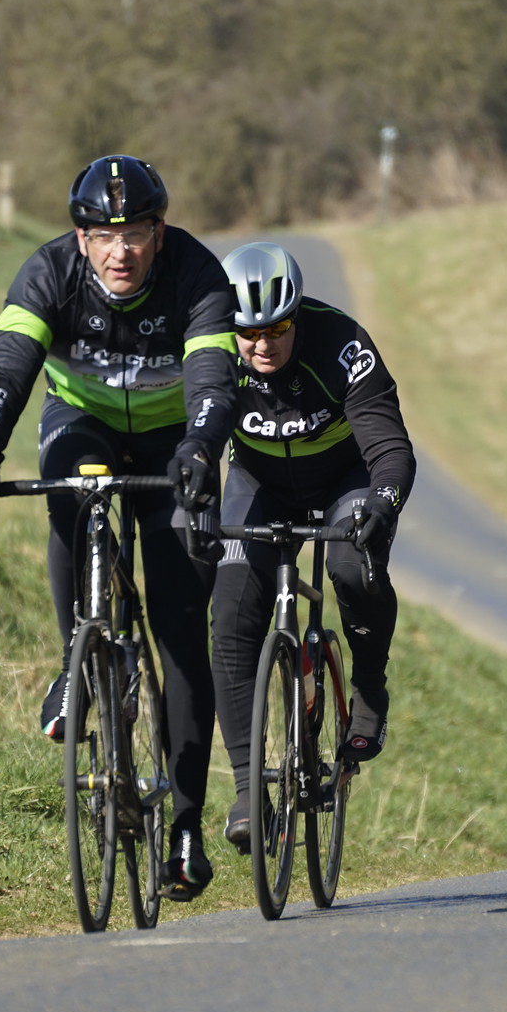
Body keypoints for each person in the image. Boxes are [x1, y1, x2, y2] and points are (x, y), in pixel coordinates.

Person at [0, 155, 238, 901]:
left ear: (159, 232)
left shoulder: (198, 275)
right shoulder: (48, 273)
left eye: (135, 233)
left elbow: (214, 378)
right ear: (81, 239)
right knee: (75, 491)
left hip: (176, 440)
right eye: (104, 236)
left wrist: (202, 447)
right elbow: (6, 367)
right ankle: (76, 659)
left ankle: (185, 826)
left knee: (179, 626)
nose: (120, 251)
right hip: (84, 423)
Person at [211, 241, 416, 849]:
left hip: (345, 480)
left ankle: (369, 684)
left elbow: (390, 448)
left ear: (297, 316)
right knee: (230, 611)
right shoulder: (212, 350)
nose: (262, 345)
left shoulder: (341, 344)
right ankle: (249, 790)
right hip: (258, 482)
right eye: (249, 332)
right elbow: (185, 434)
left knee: (352, 567)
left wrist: (384, 502)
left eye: (276, 328)